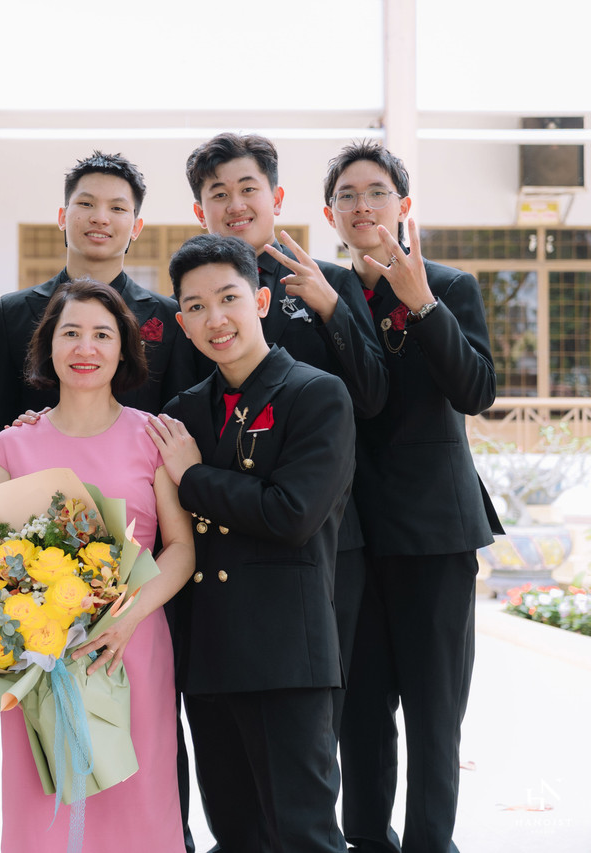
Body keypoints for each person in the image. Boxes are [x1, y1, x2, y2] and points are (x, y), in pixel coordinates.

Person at [321, 140, 503, 853]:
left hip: (436, 531)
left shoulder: (449, 286)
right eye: (346, 195)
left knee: (435, 711)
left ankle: (431, 843)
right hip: (354, 534)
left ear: (402, 205)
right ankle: (368, 839)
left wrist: (422, 303)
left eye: (375, 192)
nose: (361, 205)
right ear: (330, 214)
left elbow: (476, 391)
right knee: (361, 711)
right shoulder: (324, 296)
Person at [150, 233, 353, 853]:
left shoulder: (317, 394)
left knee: (303, 835)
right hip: (208, 654)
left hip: (285, 653)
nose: (215, 319)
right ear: (182, 324)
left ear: (260, 301)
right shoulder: (182, 413)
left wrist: (194, 477)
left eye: (229, 298)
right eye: (195, 306)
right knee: (236, 835)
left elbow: (291, 514)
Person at [186, 131, 386, 758]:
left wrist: (331, 308)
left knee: (322, 719)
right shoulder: (193, 299)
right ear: (199, 210)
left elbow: (374, 395)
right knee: (230, 726)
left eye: (248, 189)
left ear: (275, 198)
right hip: (221, 537)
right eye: (218, 193)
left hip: (322, 531)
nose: (235, 204)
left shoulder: (327, 282)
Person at [0, 278, 194, 852]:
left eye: (102, 335)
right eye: (70, 333)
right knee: (43, 811)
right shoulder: (9, 448)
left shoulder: (153, 438)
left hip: (133, 647)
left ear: (124, 350)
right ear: (48, 346)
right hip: (39, 660)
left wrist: (126, 618)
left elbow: (180, 548)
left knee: (138, 806)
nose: (85, 348)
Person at [0, 151, 198, 431]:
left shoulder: (169, 316)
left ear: (136, 227)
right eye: (86, 204)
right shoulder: (12, 312)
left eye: (117, 208)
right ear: (62, 217)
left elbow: (178, 418)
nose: (100, 218)